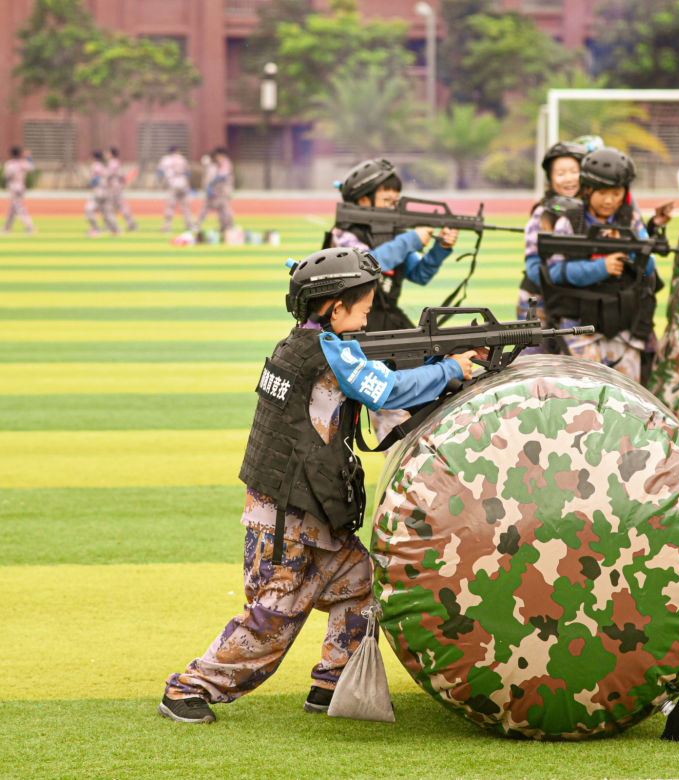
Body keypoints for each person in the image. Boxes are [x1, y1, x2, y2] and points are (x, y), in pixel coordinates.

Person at [159, 247, 484, 724]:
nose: (371, 313)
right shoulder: (330, 350)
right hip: (287, 515)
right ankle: (189, 689)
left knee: (358, 583)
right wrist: (450, 369)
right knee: (275, 615)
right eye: (365, 306)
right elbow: (386, 391)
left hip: (301, 505)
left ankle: (333, 682)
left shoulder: (306, 344)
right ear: (335, 308)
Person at [328, 158, 459, 444]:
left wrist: (441, 247)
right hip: (362, 335)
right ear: (363, 200)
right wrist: (410, 239)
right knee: (396, 420)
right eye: (388, 200)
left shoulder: (392, 236)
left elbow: (420, 273)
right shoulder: (345, 234)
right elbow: (363, 265)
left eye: (396, 200)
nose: (394, 207)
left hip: (388, 326)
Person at [530, 147, 661, 385]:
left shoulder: (630, 220)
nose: (609, 200)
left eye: (616, 192)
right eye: (602, 193)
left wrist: (629, 247)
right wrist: (602, 266)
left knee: (628, 400)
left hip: (624, 328)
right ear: (587, 189)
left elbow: (649, 268)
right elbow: (555, 273)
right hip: (579, 328)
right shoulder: (569, 222)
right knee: (582, 399)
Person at [516, 141, 589, 349]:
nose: (569, 178)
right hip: (537, 300)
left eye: (575, 171)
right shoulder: (542, 213)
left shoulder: (592, 210)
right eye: (560, 173)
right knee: (533, 360)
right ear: (550, 178)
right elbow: (532, 268)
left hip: (571, 303)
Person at [195, 147, 234, 233]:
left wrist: (210, 185)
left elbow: (221, 176)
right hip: (214, 191)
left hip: (222, 191)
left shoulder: (224, 162)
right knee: (216, 209)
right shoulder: (214, 164)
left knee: (223, 209)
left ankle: (228, 226)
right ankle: (226, 227)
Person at [158, 146, 194, 233]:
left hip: (172, 183)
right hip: (183, 183)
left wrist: (160, 182)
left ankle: (167, 226)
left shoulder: (166, 159)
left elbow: (160, 171)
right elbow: (188, 173)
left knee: (170, 206)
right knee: (185, 206)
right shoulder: (182, 159)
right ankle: (189, 225)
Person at [85, 151, 120, 237]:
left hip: (98, 193)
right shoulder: (103, 166)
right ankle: (115, 229)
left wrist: (91, 183)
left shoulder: (96, 165)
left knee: (89, 211)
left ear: (94, 158)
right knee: (107, 213)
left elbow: (96, 178)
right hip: (106, 192)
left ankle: (96, 229)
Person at [2, 147, 35, 235]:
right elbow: (32, 167)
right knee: (13, 209)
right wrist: (28, 156)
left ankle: (30, 227)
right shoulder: (23, 163)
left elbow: (6, 177)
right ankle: (6, 228)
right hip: (21, 187)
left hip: (13, 188)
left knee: (19, 208)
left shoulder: (9, 164)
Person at [106, 147, 137, 232]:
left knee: (113, 207)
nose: (106, 155)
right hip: (117, 187)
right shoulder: (116, 162)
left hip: (115, 188)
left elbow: (109, 174)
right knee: (118, 206)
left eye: (107, 153)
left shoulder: (112, 162)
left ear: (111, 154)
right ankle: (131, 224)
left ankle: (111, 225)